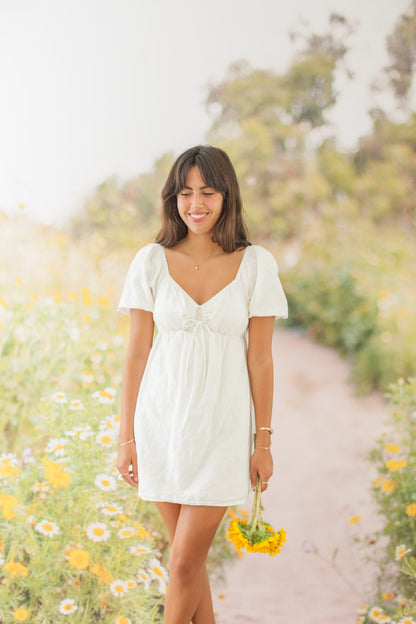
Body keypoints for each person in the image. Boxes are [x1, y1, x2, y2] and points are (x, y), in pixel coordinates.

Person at [116, 145, 288, 624]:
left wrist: (264, 441)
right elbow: (135, 352)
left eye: (207, 192)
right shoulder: (150, 261)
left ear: (226, 195)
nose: (195, 203)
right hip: (161, 426)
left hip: (222, 431)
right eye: (185, 192)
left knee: (184, 562)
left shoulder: (256, 265)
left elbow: (261, 358)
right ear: (173, 198)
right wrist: (126, 436)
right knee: (187, 565)